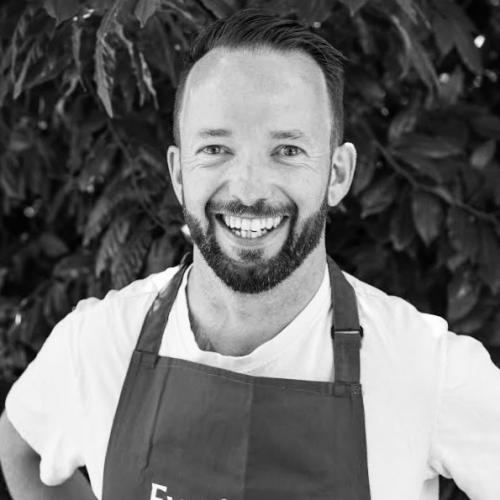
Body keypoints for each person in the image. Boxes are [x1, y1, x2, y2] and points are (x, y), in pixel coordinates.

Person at [1, 8, 500, 500]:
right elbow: (19, 448)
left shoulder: (423, 367)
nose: (248, 189)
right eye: (216, 149)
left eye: (287, 150)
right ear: (178, 173)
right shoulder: (98, 343)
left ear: (338, 174)